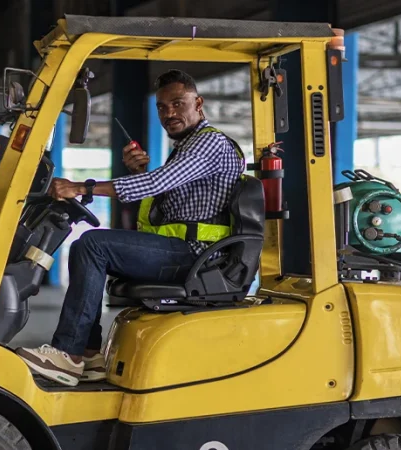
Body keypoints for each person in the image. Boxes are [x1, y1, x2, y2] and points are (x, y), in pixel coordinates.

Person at [15, 69, 245, 386]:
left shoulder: (209, 144)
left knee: (93, 245)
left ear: (199, 102)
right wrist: (140, 172)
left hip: (197, 256)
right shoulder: (187, 147)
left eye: (178, 104)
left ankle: (68, 353)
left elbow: (158, 182)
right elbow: (166, 201)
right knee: (91, 246)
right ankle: (90, 354)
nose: (170, 114)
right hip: (186, 251)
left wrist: (81, 187)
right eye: (162, 107)